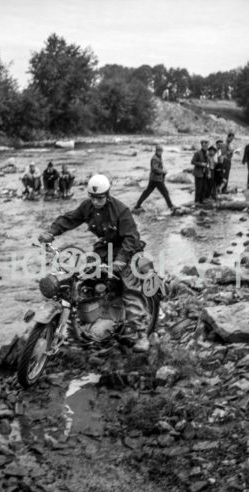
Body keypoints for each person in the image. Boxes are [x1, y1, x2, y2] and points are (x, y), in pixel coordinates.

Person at [38, 174, 150, 353]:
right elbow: (71, 218)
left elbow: (132, 238)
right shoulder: (87, 206)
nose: (96, 201)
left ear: (107, 194)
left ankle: (141, 333)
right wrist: (52, 231)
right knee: (83, 275)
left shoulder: (121, 211)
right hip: (104, 248)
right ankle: (79, 317)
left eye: (100, 198)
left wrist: (121, 260)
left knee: (130, 289)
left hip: (126, 250)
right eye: (93, 197)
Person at [133, 145, 175, 213]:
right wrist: (162, 171)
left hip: (155, 179)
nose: (161, 152)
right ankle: (171, 206)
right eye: (160, 151)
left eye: (162, 151)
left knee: (147, 192)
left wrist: (163, 170)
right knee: (165, 192)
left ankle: (137, 205)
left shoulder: (158, 157)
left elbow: (158, 166)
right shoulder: (154, 158)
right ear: (157, 151)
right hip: (156, 179)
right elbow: (154, 169)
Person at [191, 140, 209, 204]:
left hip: (204, 173)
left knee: (204, 187)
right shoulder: (197, 153)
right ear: (202, 145)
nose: (206, 147)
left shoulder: (207, 153)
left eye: (207, 146)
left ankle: (202, 200)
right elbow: (192, 162)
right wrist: (201, 164)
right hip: (198, 173)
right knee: (198, 188)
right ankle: (197, 201)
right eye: (204, 145)